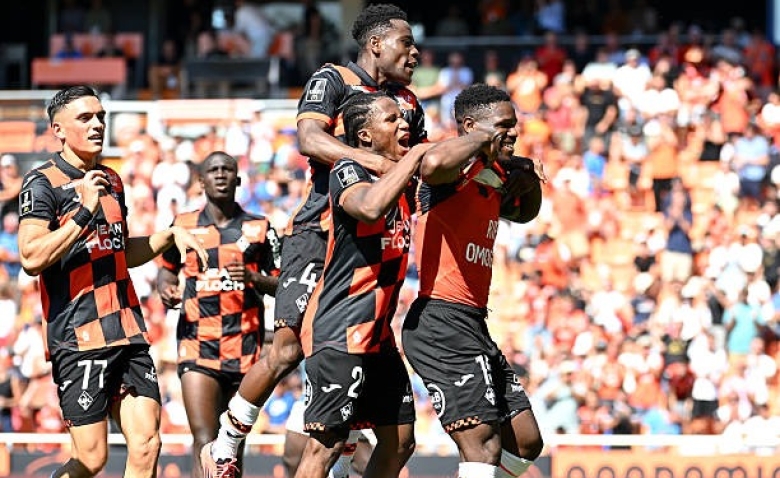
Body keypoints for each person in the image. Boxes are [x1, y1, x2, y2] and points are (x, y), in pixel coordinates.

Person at [201, 4, 425, 478]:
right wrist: (375, 165)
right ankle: (227, 439)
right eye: (406, 43)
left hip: (371, 241)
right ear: (376, 43)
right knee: (287, 347)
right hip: (318, 230)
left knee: (358, 343)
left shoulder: (406, 103)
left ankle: (342, 450)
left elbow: (419, 167)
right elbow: (308, 138)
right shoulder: (334, 79)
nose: (415, 52)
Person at [16, 85, 209, 478]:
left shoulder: (112, 180)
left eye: (100, 116)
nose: (97, 125)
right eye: (85, 118)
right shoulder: (42, 183)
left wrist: (167, 235)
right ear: (58, 129)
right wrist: (83, 211)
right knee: (91, 459)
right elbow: (31, 257)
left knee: (147, 444)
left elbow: (119, 252)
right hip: (79, 334)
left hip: (128, 330)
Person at [401, 84, 545, 478]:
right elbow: (429, 167)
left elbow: (526, 213)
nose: (513, 132)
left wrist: (527, 177)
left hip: (472, 323)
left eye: (514, 125)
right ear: (470, 127)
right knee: (482, 444)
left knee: (526, 440)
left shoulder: (493, 175)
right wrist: (480, 139)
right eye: (503, 125)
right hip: (439, 321)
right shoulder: (449, 172)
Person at [296, 91, 430, 478]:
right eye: (391, 119)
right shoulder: (348, 171)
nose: (404, 124)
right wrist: (415, 159)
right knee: (326, 447)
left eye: (403, 119)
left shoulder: (402, 180)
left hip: (378, 337)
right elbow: (369, 207)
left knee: (401, 439)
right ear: (366, 136)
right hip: (340, 331)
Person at [157, 151, 281, 478]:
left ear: (238, 179)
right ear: (201, 181)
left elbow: (284, 283)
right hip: (198, 343)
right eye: (213, 170)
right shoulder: (182, 225)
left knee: (232, 446)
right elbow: (167, 270)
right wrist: (165, 287)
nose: (221, 175)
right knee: (205, 439)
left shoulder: (260, 227)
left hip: (245, 348)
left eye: (228, 169)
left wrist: (255, 279)